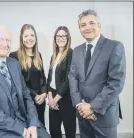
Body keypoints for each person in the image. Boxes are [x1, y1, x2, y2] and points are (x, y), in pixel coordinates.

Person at [69, 9, 126, 138]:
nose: (87, 27)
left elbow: (116, 83)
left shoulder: (114, 47)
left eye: (91, 23)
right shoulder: (76, 51)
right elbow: (72, 78)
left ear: (99, 26)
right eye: (83, 25)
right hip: (82, 114)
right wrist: (79, 104)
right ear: (79, 29)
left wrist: (92, 107)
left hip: (104, 114)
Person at [9, 24, 47, 126]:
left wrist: (44, 94)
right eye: (26, 36)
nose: (29, 38)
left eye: (32, 35)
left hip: (40, 101)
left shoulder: (38, 55)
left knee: (41, 129)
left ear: (35, 38)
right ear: (21, 38)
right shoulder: (13, 56)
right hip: (25, 101)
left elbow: (42, 78)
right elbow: (18, 82)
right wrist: (35, 96)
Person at [47, 26, 76, 138]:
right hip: (53, 96)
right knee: (54, 130)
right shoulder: (54, 55)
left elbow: (69, 78)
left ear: (68, 38)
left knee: (69, 131)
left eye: (64, 36)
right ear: (55, 38)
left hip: (66, 98)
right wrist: (50, 98)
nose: (61, 38)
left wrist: (56, 99)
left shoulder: (71, 53)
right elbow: (49, 78)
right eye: (58, 36)